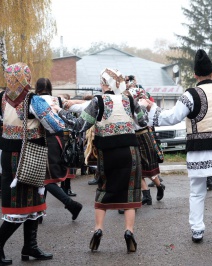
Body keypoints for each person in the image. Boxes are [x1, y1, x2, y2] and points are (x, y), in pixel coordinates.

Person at [139, 49, 212, 243]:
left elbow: (171, 118)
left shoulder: (189, 95)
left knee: (196, 192)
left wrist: (151, 107)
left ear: (195, 75)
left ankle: (197, 231)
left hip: (198, 152)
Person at [54, 67, 148, 253]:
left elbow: (80, 125)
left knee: (104, 188)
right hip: (130, 151)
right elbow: (143, 121)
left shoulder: (98, 101)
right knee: (130, 191)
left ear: (105, 84)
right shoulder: (129, 99)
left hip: (108, 152)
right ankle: (129, 231)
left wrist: (60, 112)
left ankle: (98, 229)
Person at [0, 62, 65, 264]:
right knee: (22, 207)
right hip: (28, 156)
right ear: (26, 77)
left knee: (31, 204)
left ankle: (30, 246)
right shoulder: (33, 100)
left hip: (9, 155)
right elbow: (55, 126)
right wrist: (57, 113)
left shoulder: (3, 98)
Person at [34, 78, 83, 221]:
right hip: (58, 141)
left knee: (46, 178)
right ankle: (40, 213)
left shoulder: (35, 101)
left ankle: (71, 204)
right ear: (50, 87)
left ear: (37, 88)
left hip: (42, 140)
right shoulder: (58, 100)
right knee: (46, 177)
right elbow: (74, 105)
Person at [125, 82, 165, 207]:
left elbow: (143, 121)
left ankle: (159, 186)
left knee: (149, 166)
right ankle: (146, 195)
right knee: (137, 168)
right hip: (132, 137)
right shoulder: (126, 106)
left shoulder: (142, 104)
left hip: (143, 135)